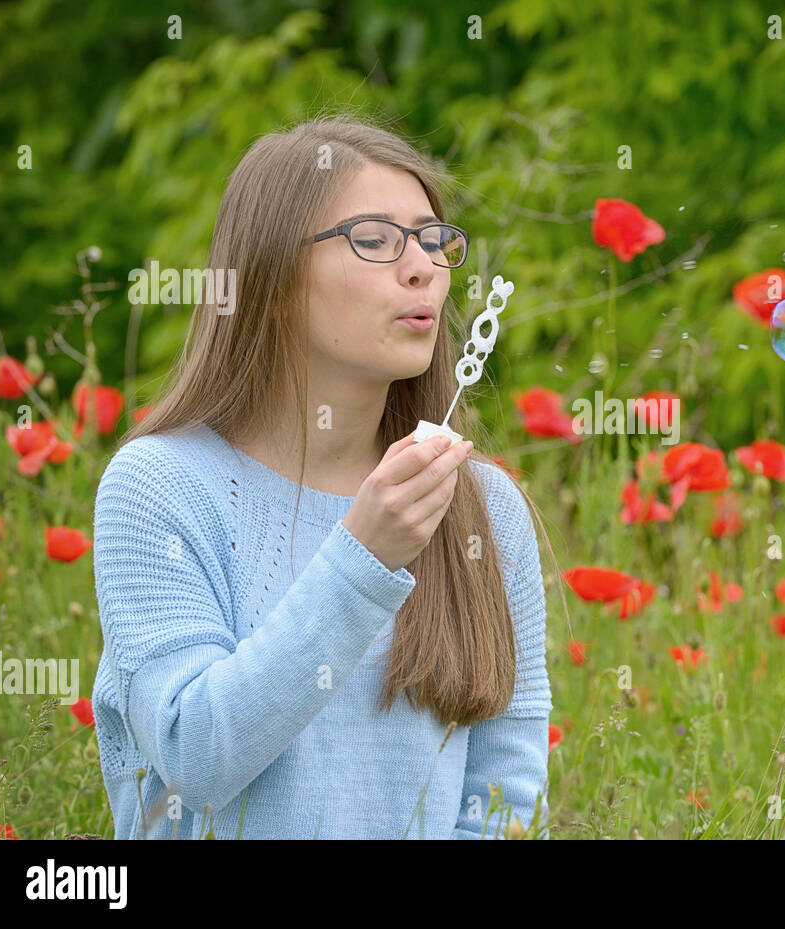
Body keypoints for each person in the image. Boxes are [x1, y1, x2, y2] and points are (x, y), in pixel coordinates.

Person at [90, 114, 555, 839]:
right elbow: (196, 758)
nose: (422, 266)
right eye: (374, 240)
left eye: (435, 241)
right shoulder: (160, 485)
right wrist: (363, 557)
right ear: (271, 281)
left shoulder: (480, 509)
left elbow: (504, 806)